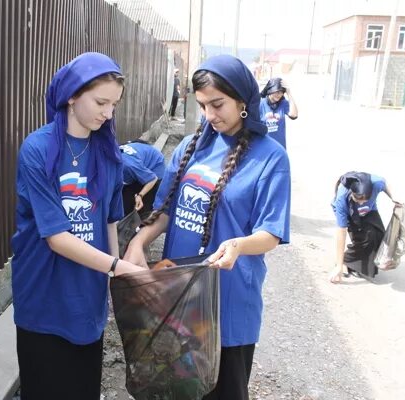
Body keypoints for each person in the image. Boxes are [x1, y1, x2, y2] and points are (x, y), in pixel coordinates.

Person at [124, 54, 291, 400]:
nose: (210, 115)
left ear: (243, 100)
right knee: (175, 389)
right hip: (179, 298)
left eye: (218, 104)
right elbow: (165, 208)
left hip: (229, 304)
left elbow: (271, 232)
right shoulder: (190, 147)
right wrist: (138, 243)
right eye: (202, 106)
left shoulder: (271, 158)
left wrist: (238, 246)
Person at [11, 52, 145, 400]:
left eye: (114, 104)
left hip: (87, 298)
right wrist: (118, 267)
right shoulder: (37, 150)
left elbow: (111, 221)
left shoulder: (108, 153)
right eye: (101, 102)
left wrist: (116, 282)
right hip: (43, 294)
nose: (108, 113)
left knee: (83, 390)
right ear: (72, 94)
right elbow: (57, 238)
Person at [330, 171, 400, 283]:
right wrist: (338, 267)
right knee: (364, 240)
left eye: (364, 201)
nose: (361, 203)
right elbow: (341, 232)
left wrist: (393, 197)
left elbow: (385, 183)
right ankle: (343, 262)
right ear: (352, 193)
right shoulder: (341, 199)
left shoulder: (376, 183)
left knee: (379, 236)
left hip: (369, 210)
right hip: (350, 212)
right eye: (358, 200)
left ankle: (352, 262)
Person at [119, 139, 166, 218]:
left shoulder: (129, 165)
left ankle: (142, 224)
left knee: (144, 206)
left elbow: (152, 179)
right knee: (125, 201)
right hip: (138, 158)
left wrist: (140, 195)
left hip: (154, 166)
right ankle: (126, 222)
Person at [259, 77, 298, 148]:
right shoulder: (261, 104)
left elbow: (294, 115)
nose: (279, 95)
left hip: (279, 146)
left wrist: (289, 93)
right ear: (270, 90)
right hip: (264, 147)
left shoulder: (283, 103)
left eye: (282, 92)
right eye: (277, 92)